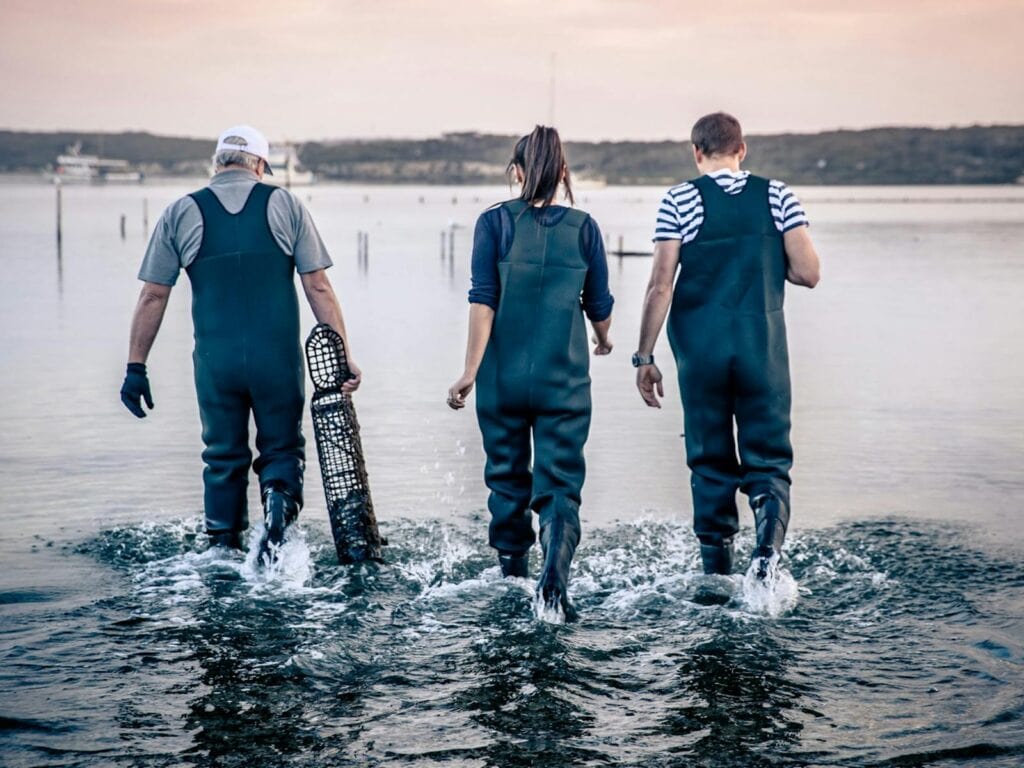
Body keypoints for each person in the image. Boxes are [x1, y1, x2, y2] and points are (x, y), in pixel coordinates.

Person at [119, 125, 360, 561]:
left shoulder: (181, 212)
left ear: (217, 163)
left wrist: (136, 366)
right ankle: (277, 509)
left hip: (216, 362)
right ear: (261, 165)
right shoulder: (285, 204)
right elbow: (318, 287)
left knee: (222, 455)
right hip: (277, 360)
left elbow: (153, 294)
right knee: (282, 447)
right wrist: (342, 356)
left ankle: (224, 548)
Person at [633, 112, 820, 579]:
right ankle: (767, 559)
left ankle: (717, 580)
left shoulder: (678, 199)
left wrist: (645, 357)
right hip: (763, 349)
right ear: (743, 149)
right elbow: (809, 273)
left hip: (701, 355)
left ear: (696, 152)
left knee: (710, 462)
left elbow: (661, 286)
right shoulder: (778, 195)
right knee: (770, 461)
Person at [447, 125, 614, 616]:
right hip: (563, 383)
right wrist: (604, 340)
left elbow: (483, 302)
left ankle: (513, 581)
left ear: (516, 172)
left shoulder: (493, 223)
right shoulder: (584, 228)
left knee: (506, 482)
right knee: (560, 485)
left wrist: (469, 372)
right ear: (564, 173)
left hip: (501, 381)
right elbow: (598, 305)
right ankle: (554, 582)